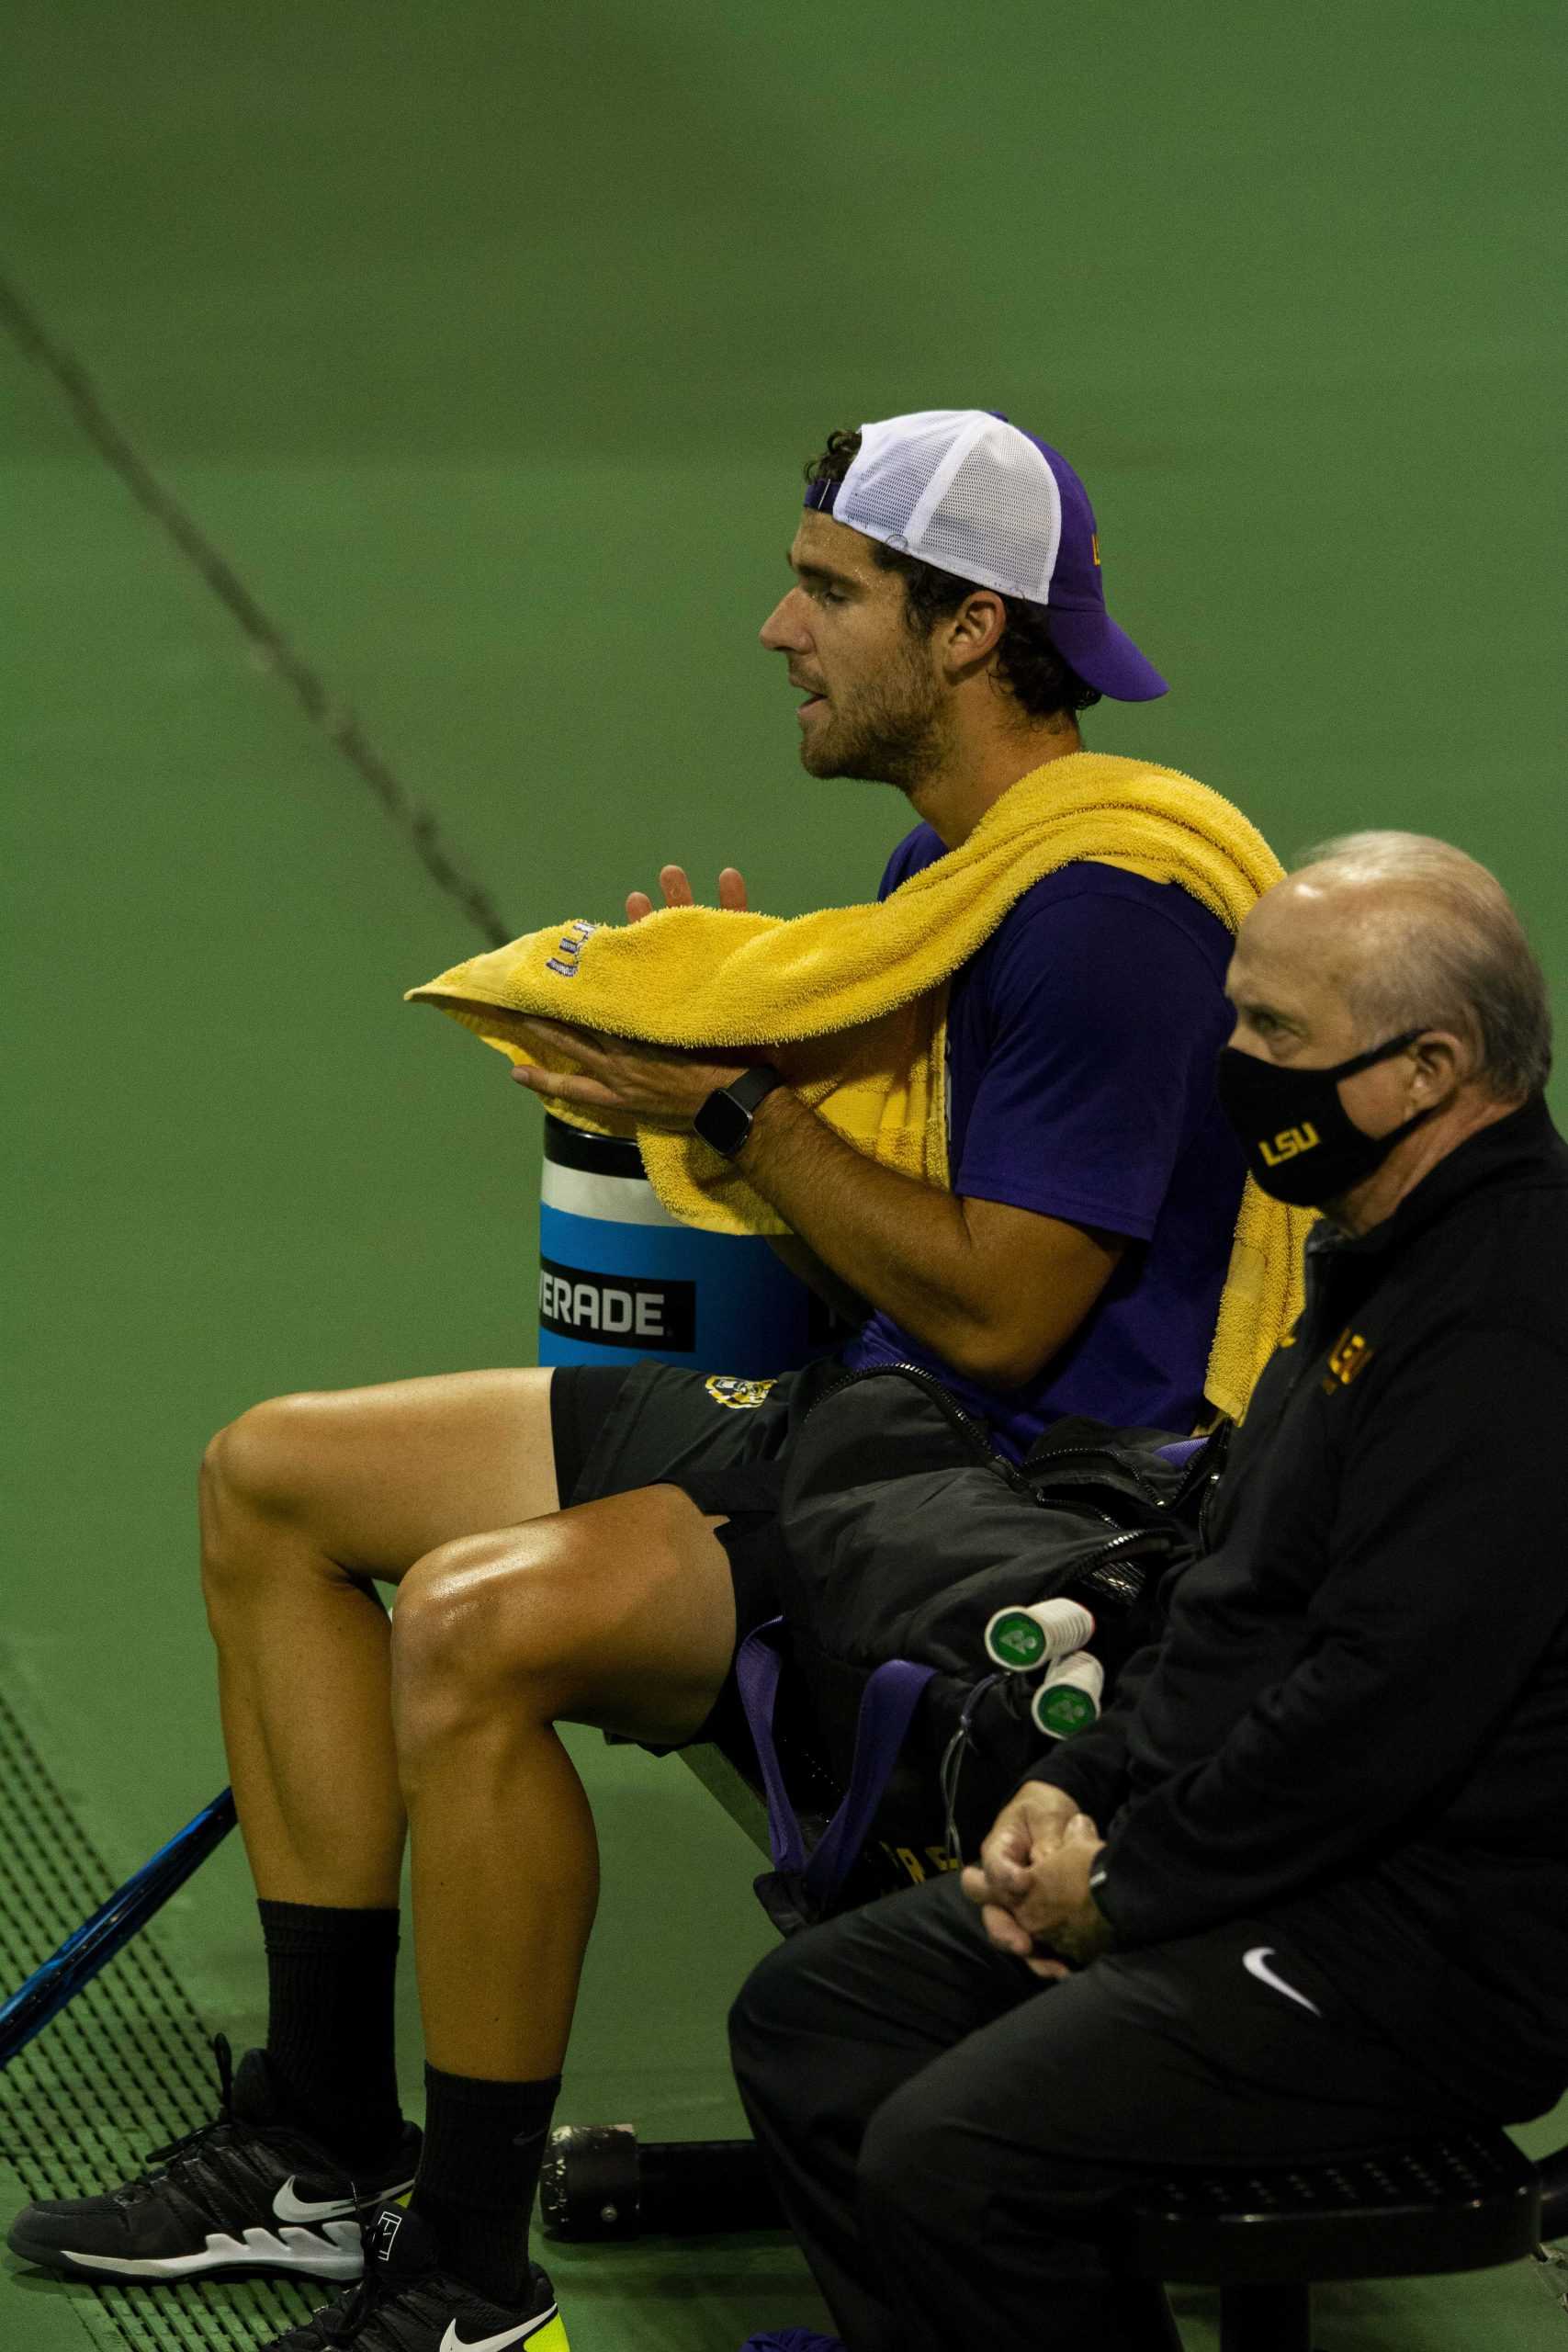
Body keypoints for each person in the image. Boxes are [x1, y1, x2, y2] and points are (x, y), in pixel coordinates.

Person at [7, 410, 1256, 2352]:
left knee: (474, 1627)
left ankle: (466, 2275)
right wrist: (763, 1027)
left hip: (988, 1519)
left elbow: (1008, 1315)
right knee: (271, 1475)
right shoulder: (967, 861)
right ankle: (326, 2145)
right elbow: (908, 1207)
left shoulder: (1100, 915)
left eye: (827, 588)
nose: (776, 626)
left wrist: (745, 1104)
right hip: (866, 1432)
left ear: (963, 631)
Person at [728, 831, 1568, 2352]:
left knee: (957, 2159)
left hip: (1420, 1954)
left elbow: (1376, 1711)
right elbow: (1233, 1600)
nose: (1228, 1061)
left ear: (1429, 1069)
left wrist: (1126, 1888)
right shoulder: (1378, 1255)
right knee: (818, 2024)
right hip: (1268, 1866)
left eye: (1273, 1034)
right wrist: (1076, 1785)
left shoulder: (1508, 1331)